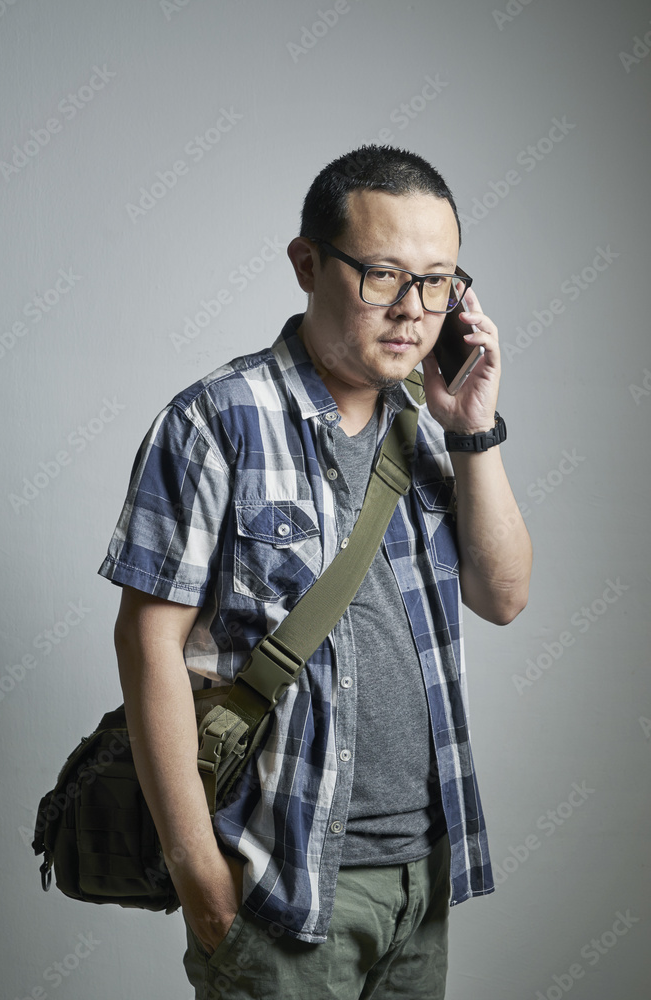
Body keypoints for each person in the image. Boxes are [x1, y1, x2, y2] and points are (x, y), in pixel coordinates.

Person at [98, 144, 533, 999]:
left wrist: (473, 428)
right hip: (279, 883)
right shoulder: (214, 421)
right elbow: (148, 646)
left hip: (422, 878)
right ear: (307, 264)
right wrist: (202, 887)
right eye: (382, 276)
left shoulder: (427, 426)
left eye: (438, 281)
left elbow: (504, 596)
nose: (414, 311)